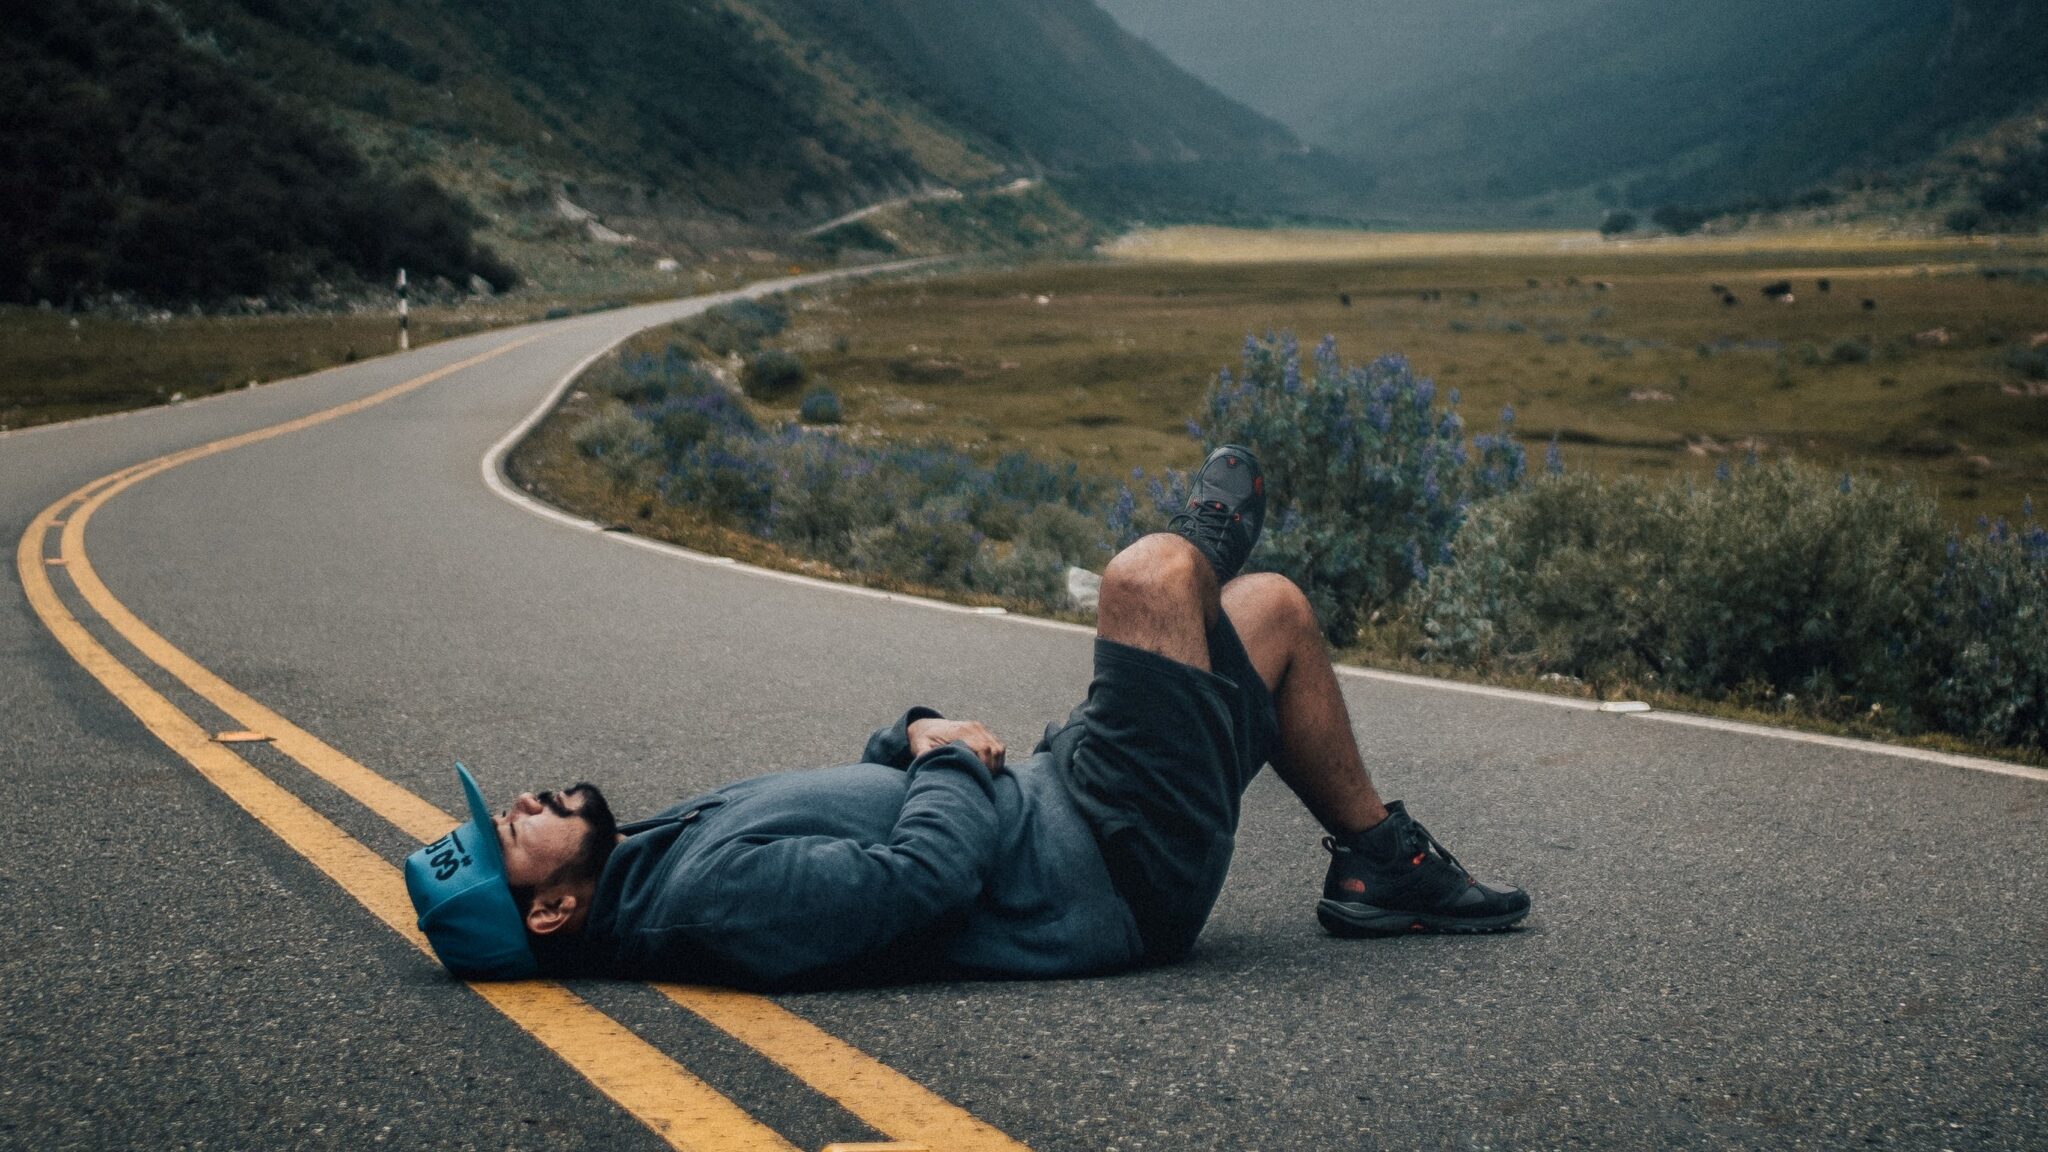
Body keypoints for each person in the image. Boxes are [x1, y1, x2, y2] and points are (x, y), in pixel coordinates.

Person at [405, 446, 1530, 986]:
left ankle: (1382, 865)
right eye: (510, 832)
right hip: (1112, 861)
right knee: (1148, 577)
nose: (521, 801)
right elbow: (914, 883)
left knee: (1272, 615)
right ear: (549, 912)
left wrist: (912, 736)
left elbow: (870, 804)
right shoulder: (707, 901)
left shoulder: (653, 860)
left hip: (1063, 794)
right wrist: (946, 762)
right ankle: (1197, 536)